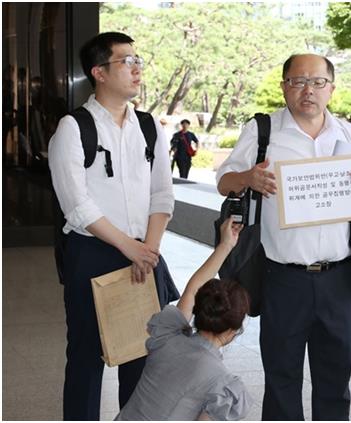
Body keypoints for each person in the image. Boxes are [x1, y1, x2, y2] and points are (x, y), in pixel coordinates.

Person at [216, 53, 351, 420]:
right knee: (282, 380)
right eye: (299, 81)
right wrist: (248, 179)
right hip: (283, 279)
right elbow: (225, 181)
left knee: (336, 383)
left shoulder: (349, 136)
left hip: (339, 279)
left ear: (331, 88)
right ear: (284, 86)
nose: (308, 91)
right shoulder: (263, 132)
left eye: (318, 82)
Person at [48, 32, 174, 420]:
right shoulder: (74, 127)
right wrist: (128, 247)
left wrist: (147, 251)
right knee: (87, 357)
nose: (137, 69)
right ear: (99, 72)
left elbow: (162, 195)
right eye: (126, 61)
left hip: (143, 255)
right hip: (93, 254)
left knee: (141, 357)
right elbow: (77, 206)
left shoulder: (149, 127)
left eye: (138, 60)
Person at [116, 217, 252, 420]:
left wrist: (226, 245)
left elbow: (192, 288)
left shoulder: (167, 336)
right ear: (234, 330)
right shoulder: (220, 382)